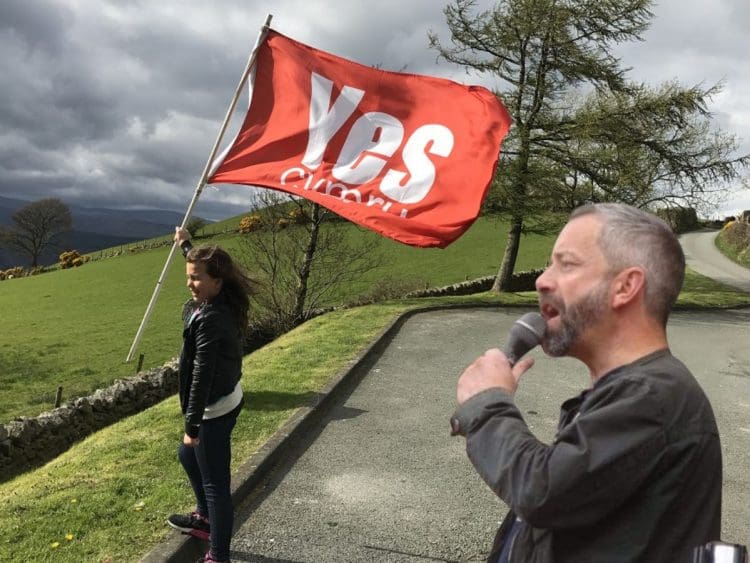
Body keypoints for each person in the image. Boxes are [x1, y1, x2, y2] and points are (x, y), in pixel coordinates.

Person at [450, 203, 722, 562]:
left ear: (625, 286)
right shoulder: (634, 392)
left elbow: (542, 492)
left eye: (567, 264)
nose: (542, 280)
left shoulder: (652, 396)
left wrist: (488, 405)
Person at [167, 227, 255, 563]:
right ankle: (205, 520)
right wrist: (185, 243)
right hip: (225, 398)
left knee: (217, 485)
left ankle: (218, 556)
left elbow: (202, 374)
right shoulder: (216, 299)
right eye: (188, 276)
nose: (190, 283)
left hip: (213, 409)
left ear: (217, 281)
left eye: (197, 279)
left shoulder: (213, 318)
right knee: (187, 456)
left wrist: (192, 427)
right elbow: (199, 264)